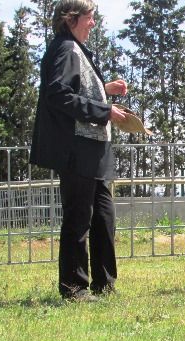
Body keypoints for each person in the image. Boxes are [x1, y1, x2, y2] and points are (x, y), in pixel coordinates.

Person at [30, 0, 129, 301]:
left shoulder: (74, 49)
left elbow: (78, 88)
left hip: (93, 150)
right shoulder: (64, 48)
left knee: (103, 216)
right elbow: (58, 94)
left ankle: (104, 284)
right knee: (79, 218)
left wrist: (103, 88)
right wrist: (105, 111)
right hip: (77, 149)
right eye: (90, 17)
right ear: (72, 18)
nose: (93, 23)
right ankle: (73, 288)